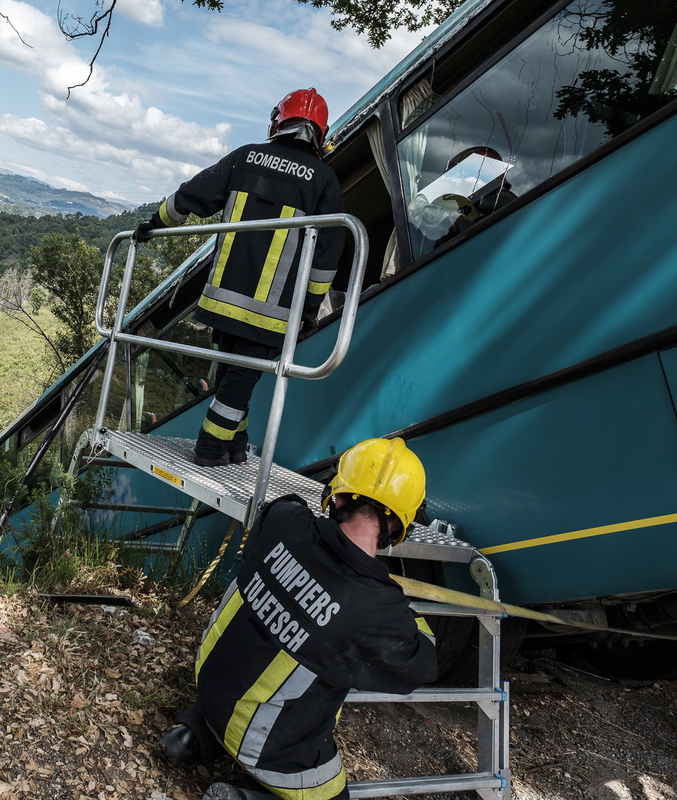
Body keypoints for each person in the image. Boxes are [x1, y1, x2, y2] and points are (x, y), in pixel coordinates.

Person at [159, 437, 438, 800]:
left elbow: (286, 530)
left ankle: (191, 735)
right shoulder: (375, 608)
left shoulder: (284, 518)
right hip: (264, 744)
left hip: (209, 682)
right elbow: (424, 663)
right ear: (398, 524)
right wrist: (396, 604)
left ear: (336, 497)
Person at [133, 88, 346, 467]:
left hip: (220, 301)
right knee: (237, 384)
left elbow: (189, 197)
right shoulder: (324, 181)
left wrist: (152, 224)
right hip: (271, 314)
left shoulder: (245, 157)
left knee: (233, 379)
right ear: (320, 134)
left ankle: (234, 447)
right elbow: (326, 260)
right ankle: (209, 450)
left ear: (279, 121)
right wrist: (310, 310)